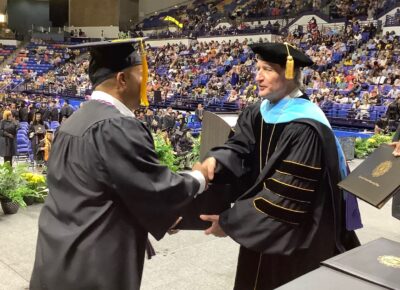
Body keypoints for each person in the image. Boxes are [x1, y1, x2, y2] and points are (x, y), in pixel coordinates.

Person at [30, 39, 209, 290]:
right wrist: (199, 177)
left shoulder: (70, 124)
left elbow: (110, 190)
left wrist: (160, 216)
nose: (147, 83)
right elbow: (156, 187)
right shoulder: (116, 126)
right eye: (141, 74)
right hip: (93, 267)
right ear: (122, 79)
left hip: (56, 257)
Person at [198, 42, 361, 290]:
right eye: (258, 68)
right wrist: (216, 160)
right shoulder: (257, 112)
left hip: (294, 235)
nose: (258, 77)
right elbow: (239, 147)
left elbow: (287, 194)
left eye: (267, 69)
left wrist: (231, 223)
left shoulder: (306, 125)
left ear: (288, 74)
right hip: (261, 223)